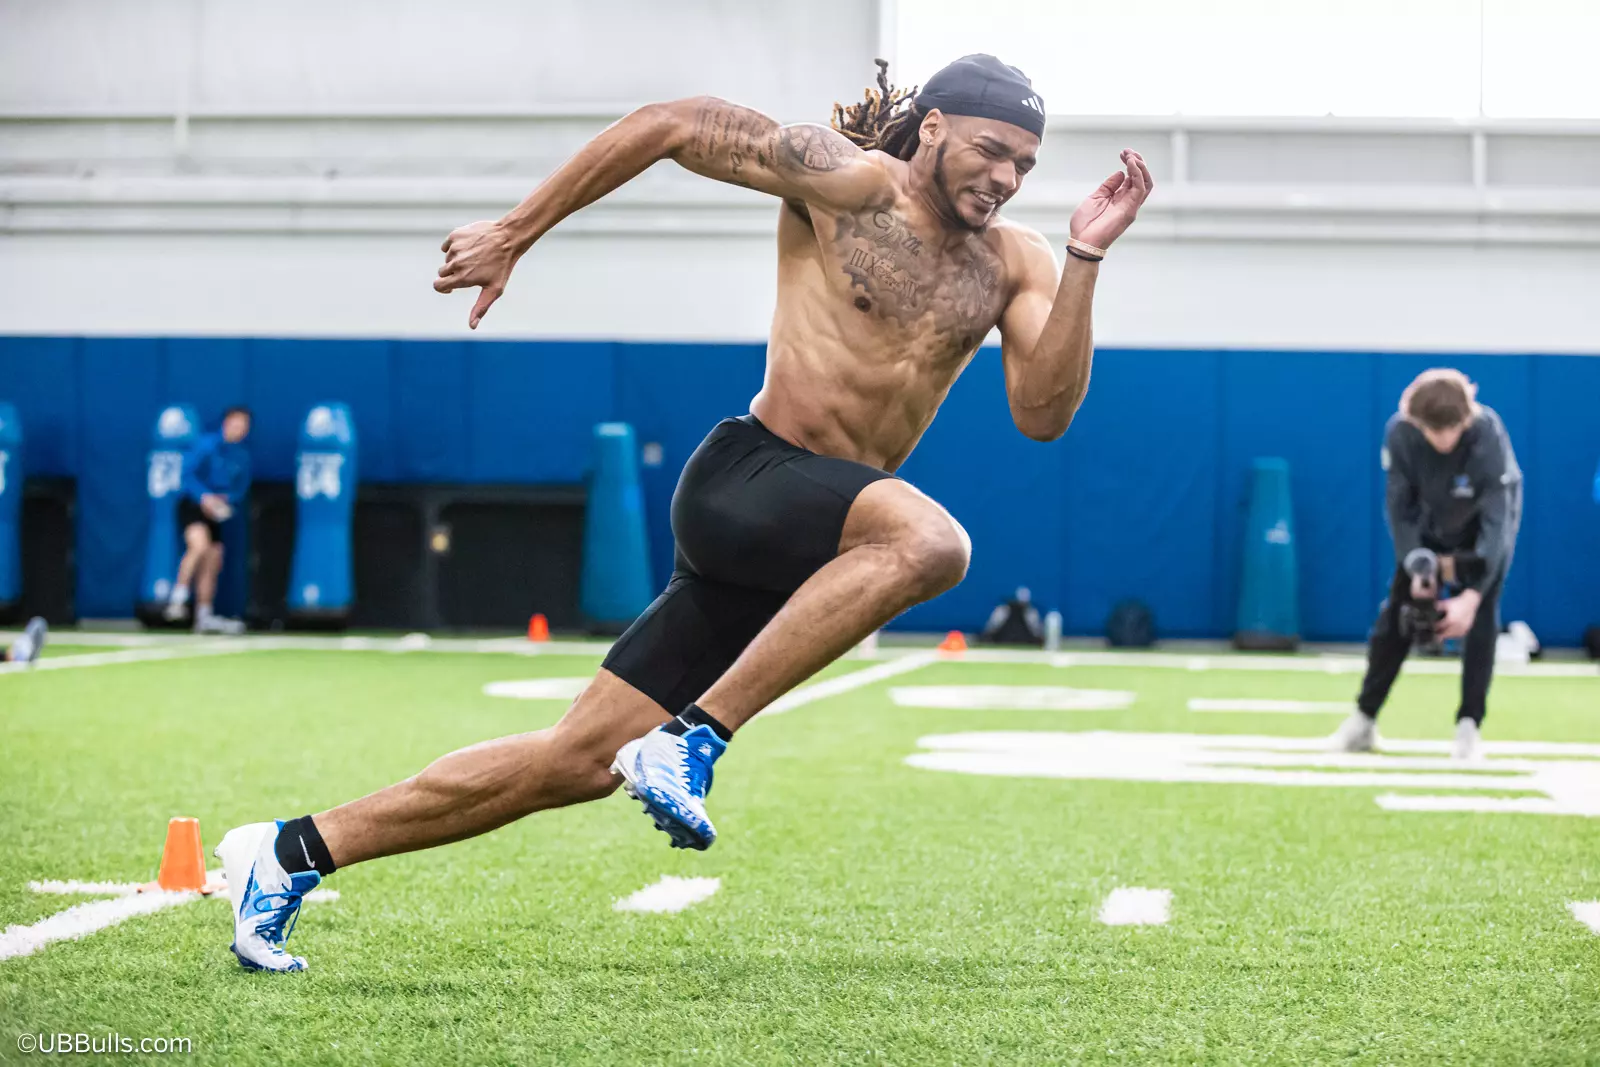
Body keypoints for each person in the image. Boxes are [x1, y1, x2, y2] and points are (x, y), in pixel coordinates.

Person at [215, 55, 1152, 972]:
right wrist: (514, 231)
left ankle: (290, 851)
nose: (1005, 176)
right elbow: (669, 123)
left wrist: (1085, 259)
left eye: (1024, 164)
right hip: (750, 477)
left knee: (574, 760)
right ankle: (693, 740)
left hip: (807, 540)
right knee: (930, 542)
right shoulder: (847, 183)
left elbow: (1042, 414)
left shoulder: (1017, 264)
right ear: (936, 128)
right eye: (991, 150)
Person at [1329, 369, 1522, 761]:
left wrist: (1472, 594)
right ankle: (1364, 718)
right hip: (1429, 532)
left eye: (1451, 430)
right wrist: (1417, 565)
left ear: (1466, 418)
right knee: (1394, 622)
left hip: (1478, 538)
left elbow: (1497, 522)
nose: (1443, 440)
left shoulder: (1489, 435)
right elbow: (1400, 508)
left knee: (1482, 621)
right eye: (1433, 431)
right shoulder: (1401, 434)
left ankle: (1469, 726)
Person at [164, 406, 252, 634]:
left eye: (243, 426)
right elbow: (187, 475)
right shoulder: (205, 445)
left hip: (216, 512)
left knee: (213, 561)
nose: (239, 429)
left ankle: (203, 616)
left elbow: (239, 489)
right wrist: (204, 497)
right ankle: (178, 599)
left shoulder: (242, 457)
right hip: (193, 506)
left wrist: (224, 501)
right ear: (225, 423)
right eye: (235, 423)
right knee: (199, 546)